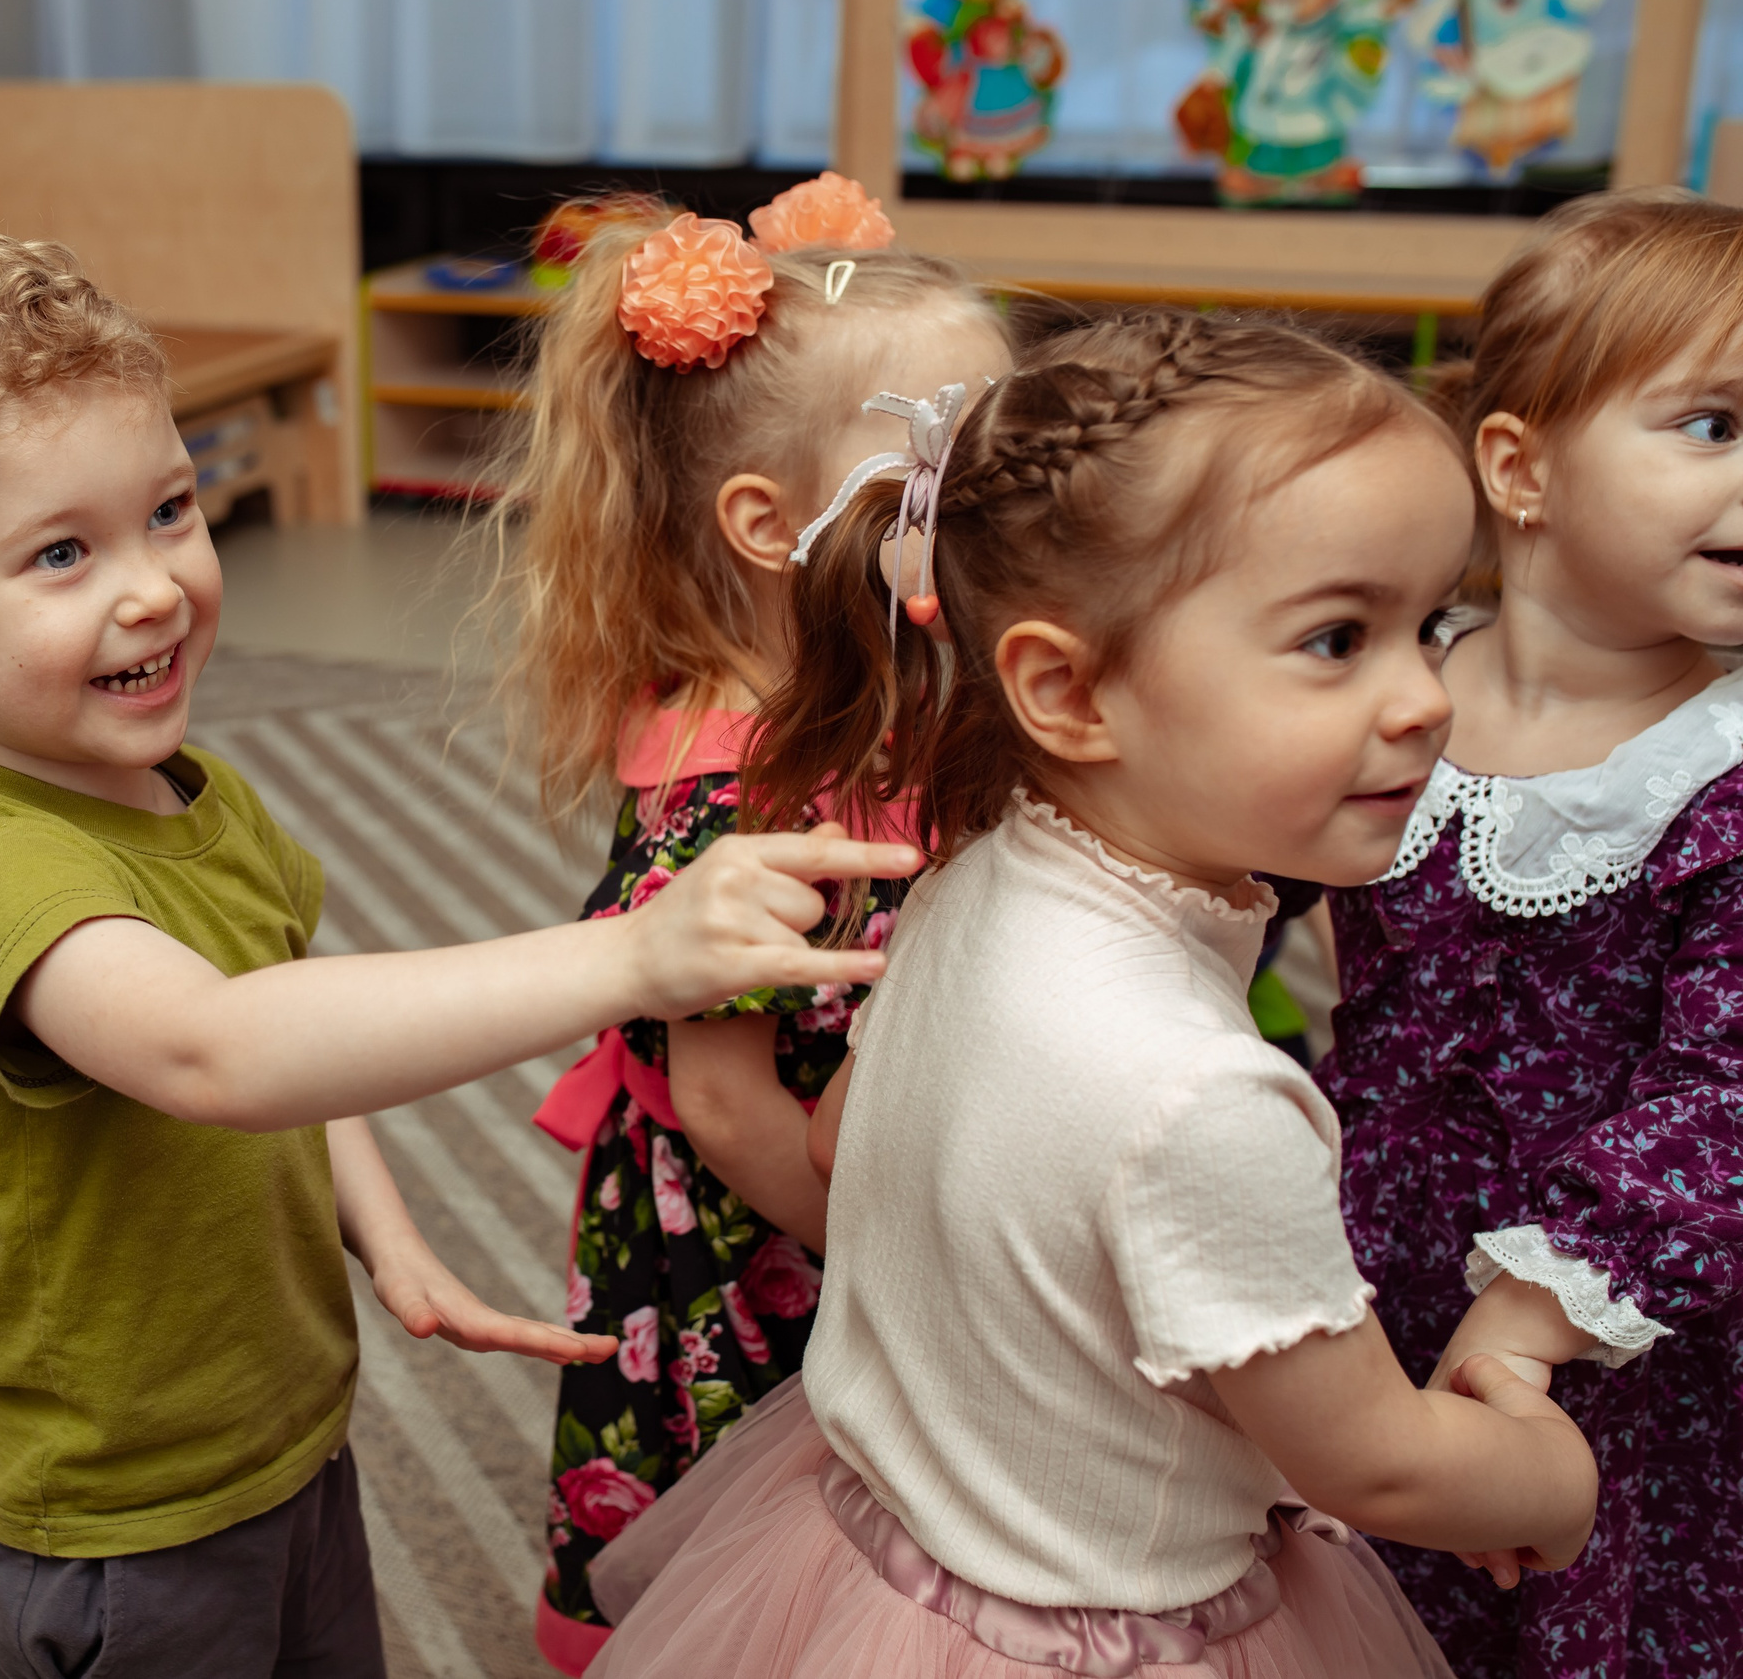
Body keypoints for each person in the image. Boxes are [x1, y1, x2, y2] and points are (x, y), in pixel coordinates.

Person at [0, 221, 917, 1679]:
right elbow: (219, 1050)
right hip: (122, 1519)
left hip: (285, 1434)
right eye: (61, 553)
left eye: (170, 511)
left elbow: (285, 1018)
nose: (154, 587)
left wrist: (388, 1238)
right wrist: (630, 958)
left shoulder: (186, 792)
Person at [584, 310, 1600, 1679]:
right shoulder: (1202, 1094)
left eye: (1432, 625)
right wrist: (1546, 1476)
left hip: (884, 1550)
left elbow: (840, 1147)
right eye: (1335, 640)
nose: (1424, 697)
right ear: (1066, 690)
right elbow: (1382, 1468)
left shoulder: (967, 876)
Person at [474, 175, 1014, 1672]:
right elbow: (724, 1104)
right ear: (771, 525)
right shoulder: (738, 795)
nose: (998, 508)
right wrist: (899, 1270)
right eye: (944, 472)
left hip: (857, 1160)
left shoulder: (876, 694)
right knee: (770, 1544)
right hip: (764, 1230)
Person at [1314, 188, 1743, 1679]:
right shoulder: (1391, 690)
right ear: (1520, 467)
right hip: (1350, 1280)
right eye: (1713, 424)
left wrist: (1537, 1311)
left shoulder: (1722, 772)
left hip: (1620, 1344)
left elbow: (1727, 1098)